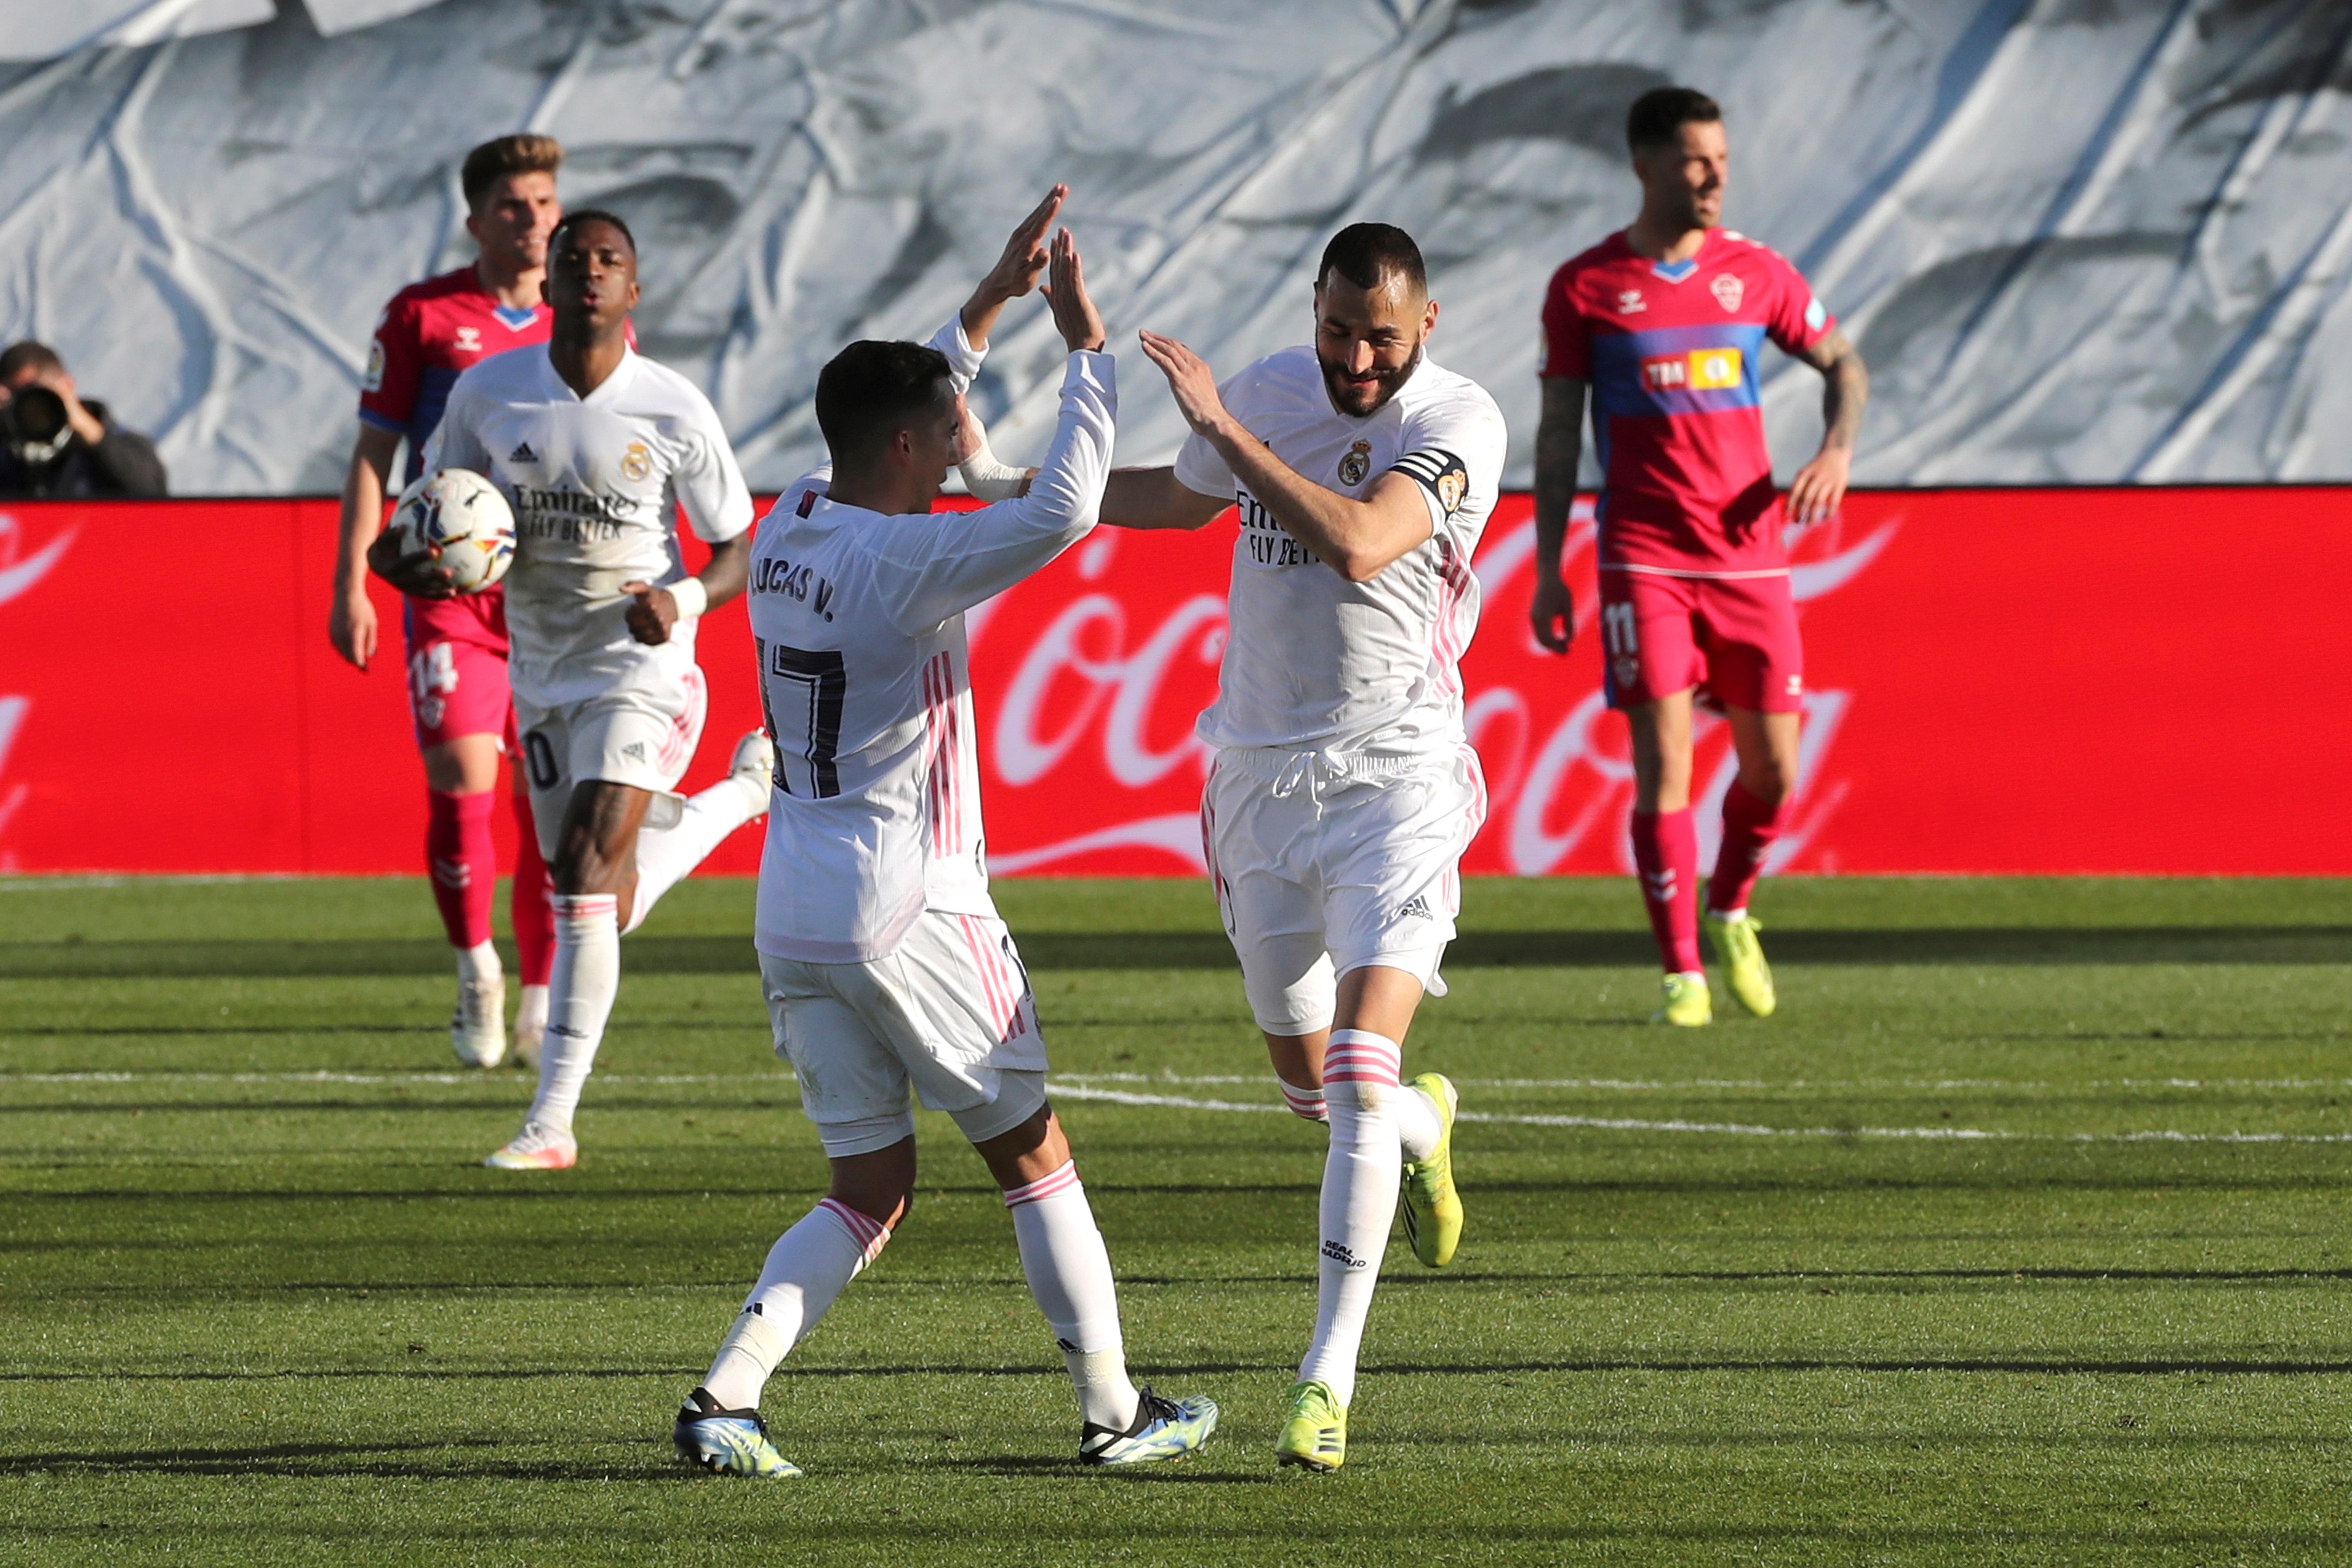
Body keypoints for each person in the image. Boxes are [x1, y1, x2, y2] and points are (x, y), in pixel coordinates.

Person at [673, 194, 1217, 1479]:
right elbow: (1069, 509)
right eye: (955, 424)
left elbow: (915, 402)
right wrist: (1084, 346)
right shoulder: (901, 565)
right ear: (916, 445)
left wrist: (985, 301)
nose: (971, 434)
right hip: (909, 904)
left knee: (870, 1181)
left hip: (794, 907)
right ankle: (1114, 1412)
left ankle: (727, 1396)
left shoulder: (792, 520)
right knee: (1032, 1151)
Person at [1093, 222, 1506, 1472]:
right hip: (1259, 781)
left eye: (1382, 335)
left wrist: (1228, 433)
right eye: (1340, 330)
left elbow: (1364, 539)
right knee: (1309, 1085)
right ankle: (1430, 1135)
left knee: (1357, 1076)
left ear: (1424, 323)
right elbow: (1176, 502)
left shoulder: (1462, 421)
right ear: (1314, 310)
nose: (1358, 360)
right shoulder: (1272, 387)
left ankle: (1326, 1380)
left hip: (1400, 777)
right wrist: (1011, 479)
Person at [375, 209, 771, 1170]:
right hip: (541, 670)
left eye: (610, 261)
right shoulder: (487, 394)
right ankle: (745, 796)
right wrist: (412, 563)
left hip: (644, 668)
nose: (589, 272)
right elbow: (425, 524)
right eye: (572, 260)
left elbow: (739, 546)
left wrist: (677, 601)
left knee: (588, 872)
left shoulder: (673, 406)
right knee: (594, 892)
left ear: (634, 290)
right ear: (546, 285)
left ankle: (551, 1124)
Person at [1529, 86, 1869, 1027]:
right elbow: (1559, 435)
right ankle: (1681, 971)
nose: (1717, 174)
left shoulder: (1756, 275)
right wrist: (1553, 564)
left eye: (1722, 157)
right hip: (1645, 556)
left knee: (1773, 774)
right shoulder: (1587, 286)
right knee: (1666, 763)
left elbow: (1845, 363)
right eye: (1695, 159)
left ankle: (1729, 910)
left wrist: (1836, 451)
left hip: (1751, 558)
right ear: (1645, 165)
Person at [330, 134, 566, 1070]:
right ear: (476, 220)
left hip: (550, 594)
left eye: (546, 202)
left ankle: (545, 999)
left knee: (544, 803)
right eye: (514, 205)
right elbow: (371, 454)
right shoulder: (424, 317)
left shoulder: (590, 318)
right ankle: (477, 971)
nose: (535, 220)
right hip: (449, 590)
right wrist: (351, 578)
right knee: (464, 781)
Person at [0, 343, 166, 497]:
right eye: (15, 398)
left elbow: (152, 492)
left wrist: (90, 431)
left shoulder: (114, 443)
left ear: (67, 385)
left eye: (36, 395)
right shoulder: (7, 450)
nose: (30, 409)